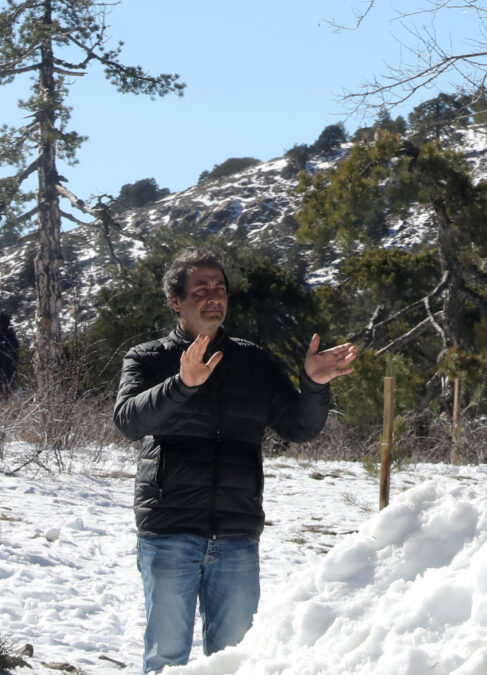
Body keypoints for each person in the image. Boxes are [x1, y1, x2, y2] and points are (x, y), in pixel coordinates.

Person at [115, 248, 358, 670]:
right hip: (170, 530)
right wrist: (182, 383)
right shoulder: (147, 358)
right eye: (201, 289)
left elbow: (297, 428)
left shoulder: (254, 360)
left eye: (220, 288)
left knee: (235, 660)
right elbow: (128, 421)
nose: (214, 296)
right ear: (176, 301)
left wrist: (314, 385)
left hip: (237, 534)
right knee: (167, 657)